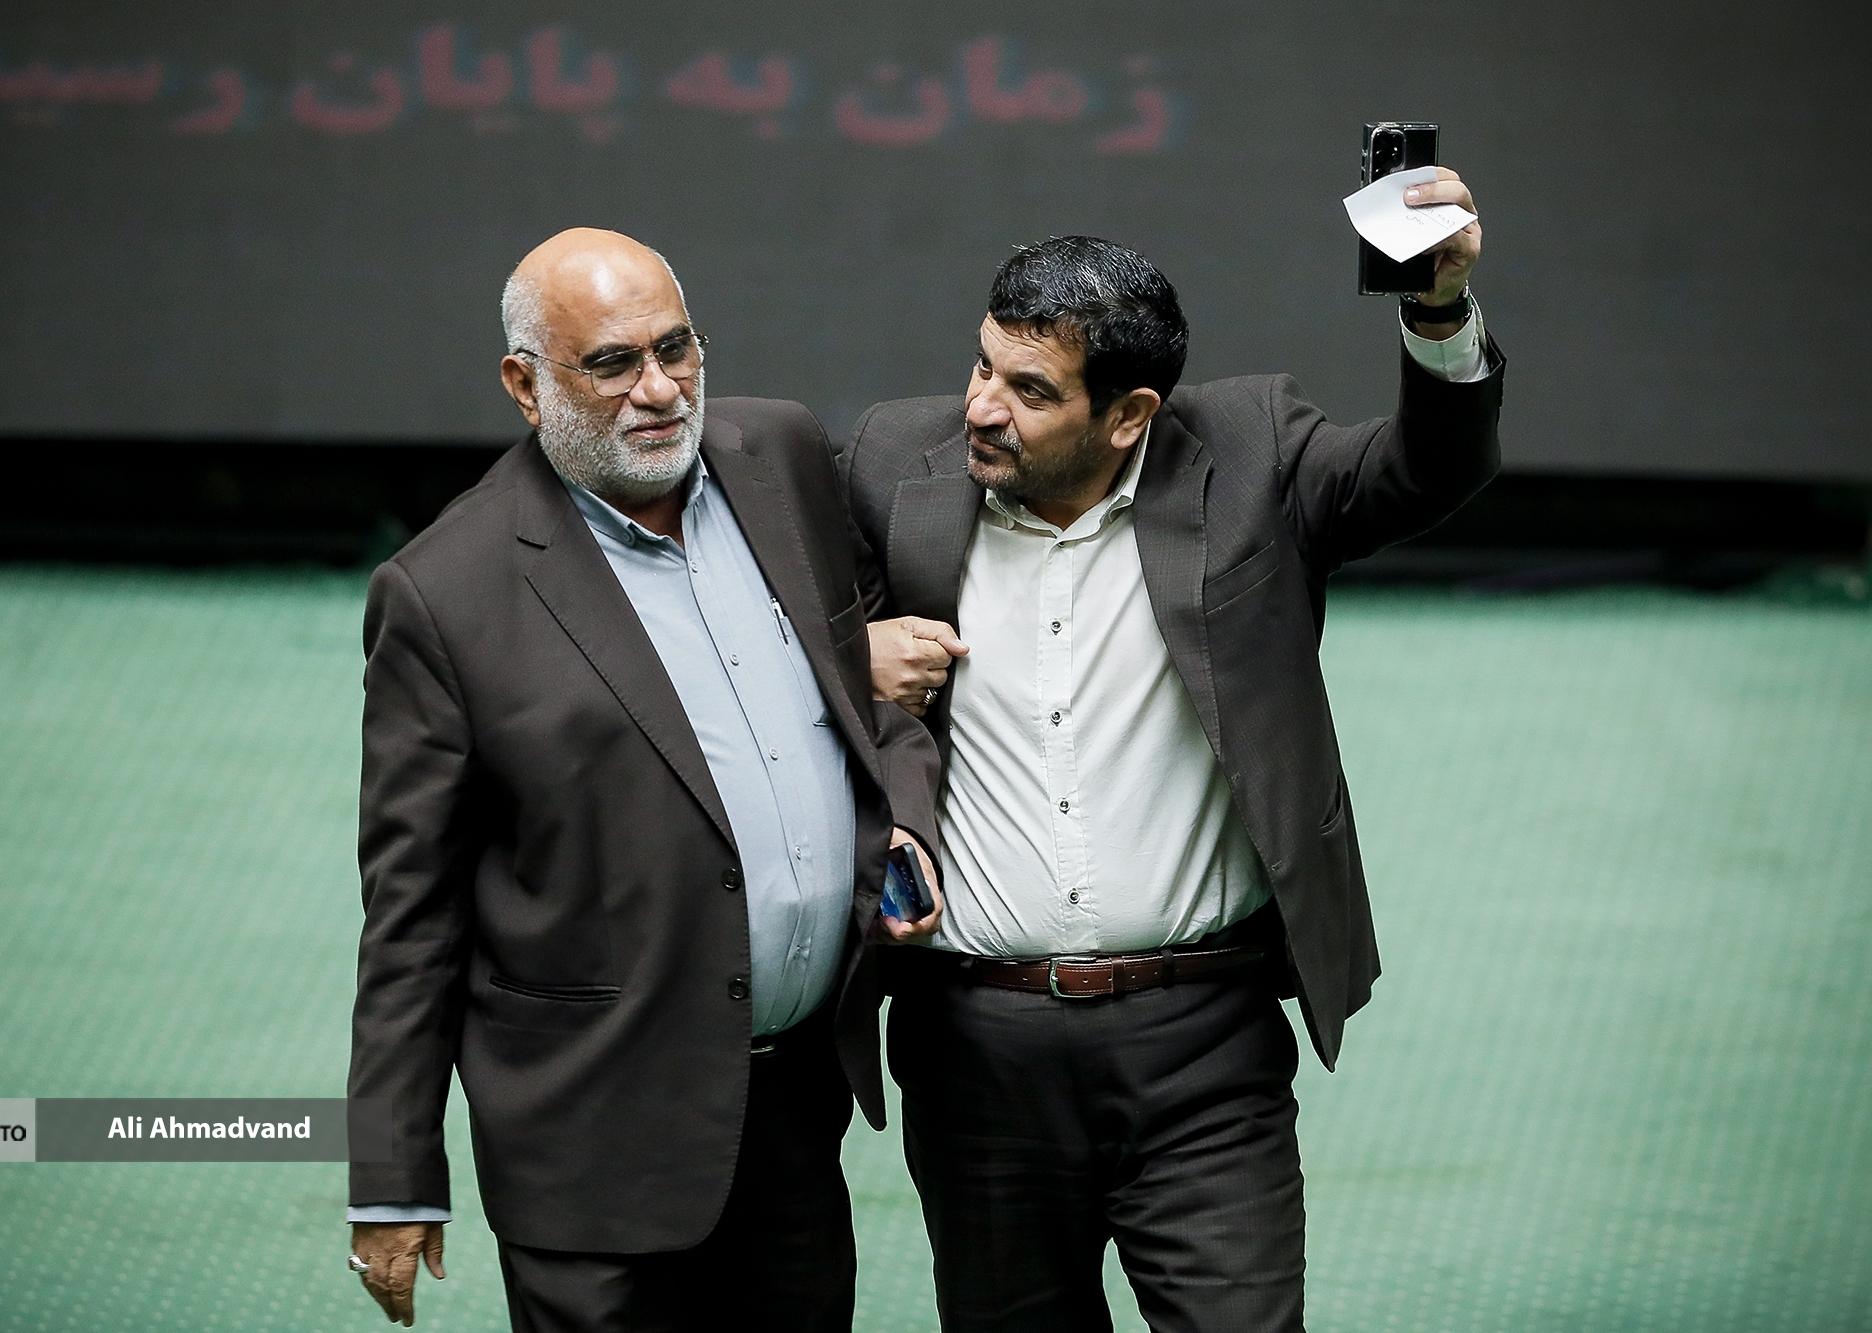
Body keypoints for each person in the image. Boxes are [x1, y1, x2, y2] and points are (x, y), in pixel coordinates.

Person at [838, 170, 1503, 1330]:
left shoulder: (1248, 451)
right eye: (981, 367)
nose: (982, 407)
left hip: (1201, 1047)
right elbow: (756, 635)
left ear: (1127, 414)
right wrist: (847, 659)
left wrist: (1435, 308)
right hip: (973, 1050)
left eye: (1029, 391)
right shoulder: (892, 464)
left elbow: (1424, 469)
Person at [344, 227, 942, 1330]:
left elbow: (868, 692)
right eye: (612, 363)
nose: (660, 389)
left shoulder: (781, 456)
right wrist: (392, 1175)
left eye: (676, 348)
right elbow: (411, 915)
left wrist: (901, 820)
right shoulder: (445, 593)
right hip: (594, 1145)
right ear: (525, 386)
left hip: (791, 1113)